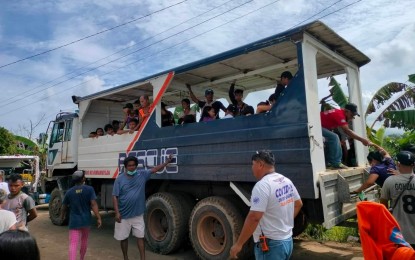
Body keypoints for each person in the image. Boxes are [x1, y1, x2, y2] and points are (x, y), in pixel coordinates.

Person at [230, 150, 303, 260]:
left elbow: (254, 217)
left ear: (260, 164)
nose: (252, 168)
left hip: (271, 246)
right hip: (287, 241)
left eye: (253, 164)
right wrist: (283, 223)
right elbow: (298, 204)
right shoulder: (286, 181)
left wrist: (238, 244)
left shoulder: (262, 186)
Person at [112, 154, 174, 260]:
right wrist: (117, 212)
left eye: (133, 165)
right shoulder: (119, 179)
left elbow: (155, 169)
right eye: (129, 165)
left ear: (136, 166)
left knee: (140, 237)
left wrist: (167, 162)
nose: (132, 167)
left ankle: (143, 258)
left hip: (138, 214)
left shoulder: (142, 175)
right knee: (123, 238)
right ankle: (125, 257)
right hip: (123, 215)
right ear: (125, 167)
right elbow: (115, 196)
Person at [61, 170, 102, 260]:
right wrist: (98, 217)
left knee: (73, 243)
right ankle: (82, 258)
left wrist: (62, 216)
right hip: (86, 220)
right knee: (84, 241)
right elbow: (93, 204)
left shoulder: (69, 192)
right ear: (83, 179)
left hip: (74, 222)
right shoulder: (89, 189)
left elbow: (64, 206)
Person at [380, 150, 415, 247]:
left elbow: (383, 206)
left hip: (398, 235)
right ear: (413, 165)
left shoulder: (389, 181)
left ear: (398, 164)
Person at [320, 103, 371, 169]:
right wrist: (362, 140)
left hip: (321, 126)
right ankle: (336, 162)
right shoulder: (340, 115)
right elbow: (347, 131)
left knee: (329, 140)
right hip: (316, 125)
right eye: (352, 115)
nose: (352, 117)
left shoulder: (339, 113)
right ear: (347, 111)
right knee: (334, 137)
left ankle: (328, 162)